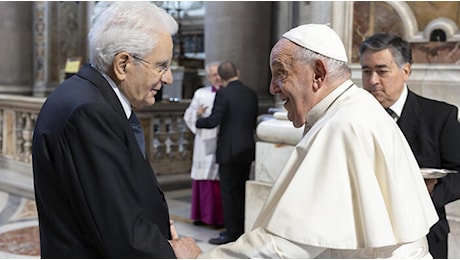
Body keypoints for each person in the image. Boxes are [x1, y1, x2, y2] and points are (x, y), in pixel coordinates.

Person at [193, 24, 438, 258]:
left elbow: (285, 245)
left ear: (318, 74)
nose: (271, 88)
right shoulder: (352, 109)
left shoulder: (342, 125)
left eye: (280, 73)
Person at [32, 2, 201, 258]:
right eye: (161, 66)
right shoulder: (89, 112)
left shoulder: (87, 96)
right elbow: (119, 233)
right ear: (123, 64)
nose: (167, 78)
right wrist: (174, 254)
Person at [359, 33, 460, 259]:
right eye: (366, 71)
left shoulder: (440, 116)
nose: (373, 80)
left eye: (382, 71)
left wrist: (425, 195)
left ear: (406, 71)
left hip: (422, 235)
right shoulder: (352, 119)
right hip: (364, 239)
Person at [195, 61, 259, 245]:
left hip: (229, 151)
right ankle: (241, 229)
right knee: (241, 191)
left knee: (229, 194)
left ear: (221, 78)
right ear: (237, 72)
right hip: (247, 149)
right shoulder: (251, 93)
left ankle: (232, 233)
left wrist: (199, 120)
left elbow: (214, 121)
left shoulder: (223, 93)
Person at [183, 61, 224, 228]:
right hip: (203, 140)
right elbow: (188, 115)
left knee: (216, 180)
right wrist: (197, 114)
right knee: (202, 178)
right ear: (208, 77)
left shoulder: (227, 92)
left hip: (220, 140)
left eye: (219, 74)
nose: (217, 77)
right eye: (213, 75)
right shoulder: (201, 93)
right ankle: (201, 216)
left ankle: (217, 218)